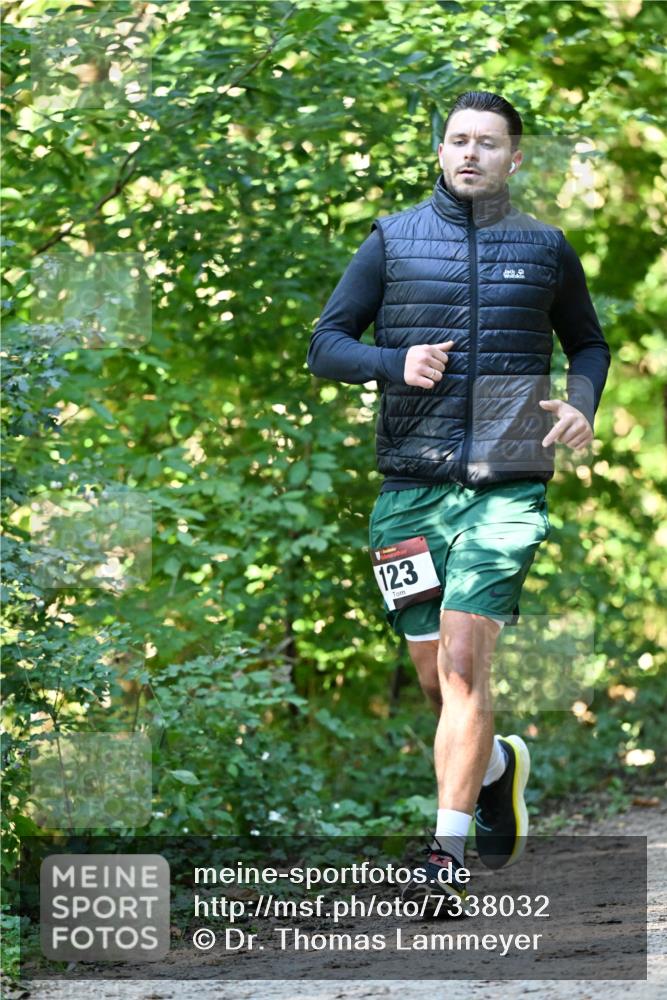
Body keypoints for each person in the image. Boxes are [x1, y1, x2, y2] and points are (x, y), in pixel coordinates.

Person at [306, 90, 611, 910]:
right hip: (408, 491)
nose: (470, 153)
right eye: (457, 140)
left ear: (514, 157)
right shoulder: (392, 240)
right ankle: (497, 767)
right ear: (440, 152)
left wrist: (581, 403)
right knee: (437, 681)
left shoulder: (544, 248)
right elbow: (325, 345)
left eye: (487, 142)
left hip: (505, 486)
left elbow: (587, 342)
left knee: (464, 662)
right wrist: (392, 362)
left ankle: (442, 858)